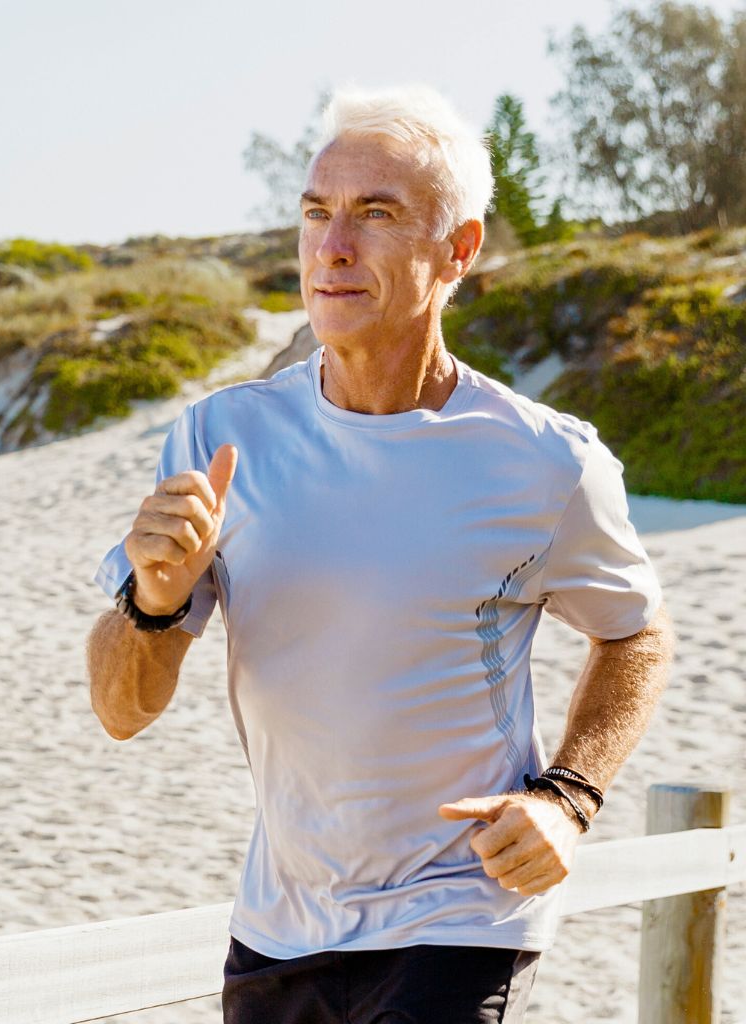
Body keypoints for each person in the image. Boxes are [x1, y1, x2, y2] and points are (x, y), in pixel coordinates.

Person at [89, 85, 674, 1023]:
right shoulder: (222, 436)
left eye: (377, 214)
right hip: (278, 922)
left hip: (462, 913)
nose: (334, 246)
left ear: (461, 251)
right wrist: (151, 604)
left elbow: (636, 635)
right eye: (317, 213)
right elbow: (123, 712)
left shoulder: (545, 460)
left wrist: (569, 797)